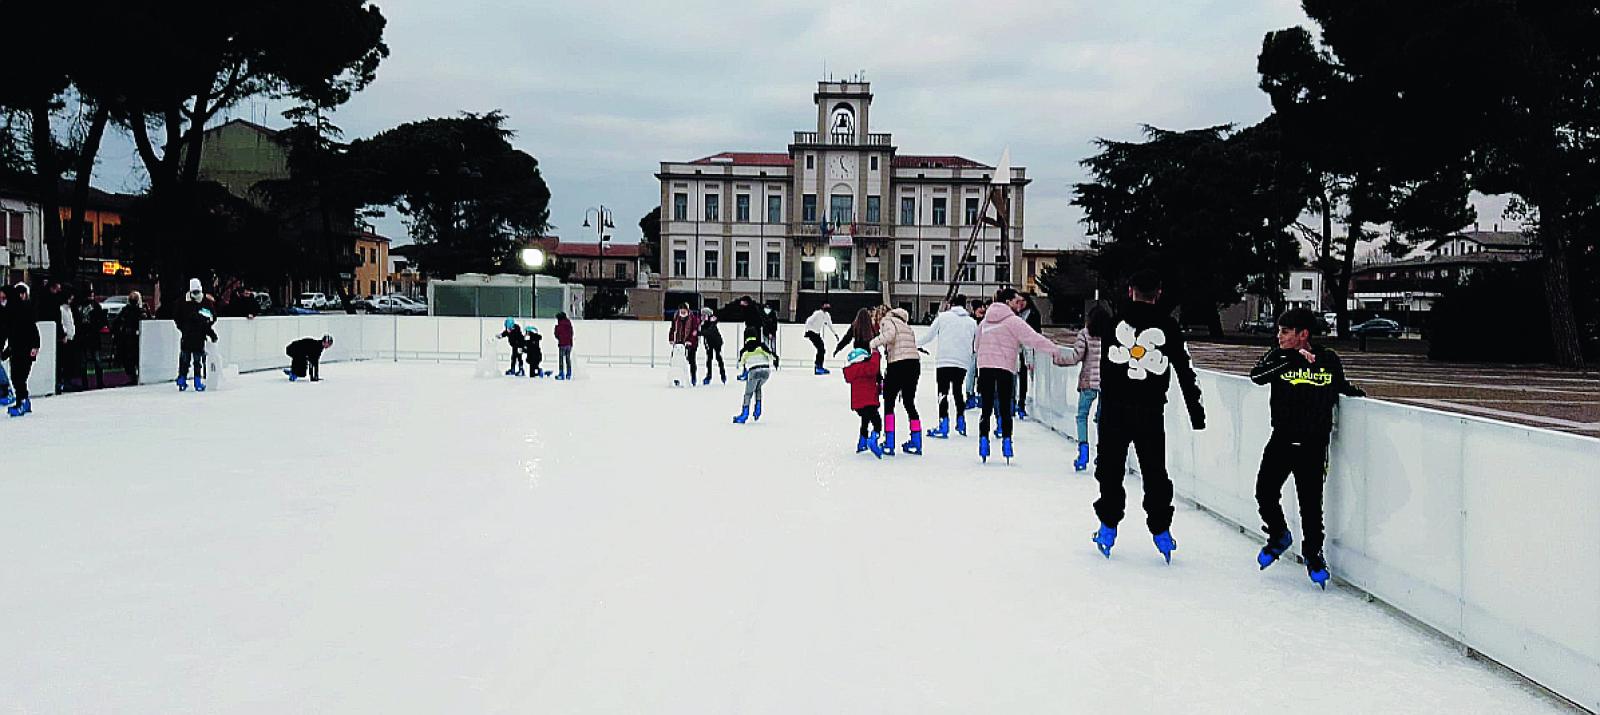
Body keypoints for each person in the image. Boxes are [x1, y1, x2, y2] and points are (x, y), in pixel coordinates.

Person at [1090, 270, 1206, 564]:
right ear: (1159, 293)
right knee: (1154, 470)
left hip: (1115, 409)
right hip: (1150, 410)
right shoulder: (1168, 326)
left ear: (1131, 291)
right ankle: (1161, 529)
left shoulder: (1115, 323)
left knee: (1110, 468)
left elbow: (1104, 363)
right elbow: (1185, 370)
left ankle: (1108, 526)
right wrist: (1196, 412)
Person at [1248, 307, 1365, 589]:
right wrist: (1292, 359)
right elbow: (1257, 376)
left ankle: (1313, 555)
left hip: (1314, 444)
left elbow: (1340, 386)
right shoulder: (1278, 356)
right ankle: (1279, 535)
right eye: (1279, 331)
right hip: (1282, 439)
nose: (1279, 337)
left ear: (1303, 334)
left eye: (1285, 332)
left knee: (1311, 506)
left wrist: (1360, 397)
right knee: (1264, 492)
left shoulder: (1328, 358)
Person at [973, 288, 1072, 463]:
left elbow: (976, 345)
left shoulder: (985, 322)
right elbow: (1033, 338)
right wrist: (1054, 350)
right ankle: (1007, 442)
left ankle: (983, 441)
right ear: (1007, 302)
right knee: (1005, 406)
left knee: (986, 407)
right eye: (1016, 301)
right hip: (1005, 367)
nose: (1019, 304)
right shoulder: (1013, 321)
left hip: (985, 367)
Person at [918, 296, 978, 438]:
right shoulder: (972, 322)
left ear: (951, 304)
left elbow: (929, 336)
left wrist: (915, 343)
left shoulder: (943, 317)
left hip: (944, 360)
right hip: (962, 361)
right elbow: (976, 343)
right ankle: (961, 420)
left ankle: (943, 423)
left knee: (943, 392)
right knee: (958, 391)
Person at [1059, 304, 1109, 472]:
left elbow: (1076, 356)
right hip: (1106, 383)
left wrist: (1058, 358)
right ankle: (1102, 453)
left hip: (1088, 382)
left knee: (1082, 416)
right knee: (1103, 419)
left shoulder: (1085, 334)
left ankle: (1083, 451)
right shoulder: (1111, 334)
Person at [869, 306, 923, 456]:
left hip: (898, 364)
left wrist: (872, 344)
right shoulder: (906, 325)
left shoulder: (887, 321)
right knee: (909, 402)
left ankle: (889, 442)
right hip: (914, 364)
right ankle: (916, 441)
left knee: (889, 401)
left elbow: (890, 335)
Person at [3, 284, 40, 417]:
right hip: (16, 348)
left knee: (19, 377)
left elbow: (32, 328)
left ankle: (22, 402)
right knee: (17, 376)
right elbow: (8, 333)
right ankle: (24, 401)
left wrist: (35, 345)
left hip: (25, 348)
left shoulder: (23, 309)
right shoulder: (9, 311)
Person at [841, 347, 884, 458]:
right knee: (877, 422)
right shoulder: (866, 367)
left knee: (865, 421)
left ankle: (862, 442)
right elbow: (874, 367)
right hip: (869, 402)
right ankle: (873, 439)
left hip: (858, 405)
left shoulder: (852, 370)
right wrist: (875, 354)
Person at [175, 279, 217, 392]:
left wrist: (183, 328)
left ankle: (183, 380)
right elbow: (210, 318)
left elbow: (211, 317)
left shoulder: (185, 301)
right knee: (194, 361)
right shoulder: (202, 302)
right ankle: (194, 382)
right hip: (194, 336)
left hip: (190, 336)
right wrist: (210, 331)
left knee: (187, 360)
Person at [731, 337, 778, 423]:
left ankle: (744, 415)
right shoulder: (761, 348)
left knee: (748, 393)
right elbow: (772, 357)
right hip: (766, 371)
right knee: (758, 388)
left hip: (754, 371)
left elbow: (741, 363)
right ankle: (758, 410)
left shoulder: (745, 352)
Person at [1015, 293, 1043, 419]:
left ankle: (1022, 402)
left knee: (1024, 377)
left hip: (1028, 349)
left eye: (1023, 301)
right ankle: (1014, 401)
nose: (1020, 303)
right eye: (1018, 301)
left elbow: (1036, 332)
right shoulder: (1015, 314)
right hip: (1016, 349)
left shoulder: (1033, 314)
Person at [75, 288, 107, 390]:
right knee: (90, 360)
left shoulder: (88, 306)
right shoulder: (86, 306)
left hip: (89, 335)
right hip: (88, 335)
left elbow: (102, 320)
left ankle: (96, 382)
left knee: (92, 360)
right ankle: (93, 383)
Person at [112, 291, 146, 384]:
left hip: (136, 338)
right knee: (129, 359)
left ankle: (136, 377)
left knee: (134, 359)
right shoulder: (127, 310)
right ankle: (133, 377)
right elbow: (117, 322)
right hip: (128, 339)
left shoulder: (140, 311)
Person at [668, 303, 701, 387]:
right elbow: (672, 328)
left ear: (687, 310)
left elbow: (694, 331)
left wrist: (690, 341)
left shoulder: (693, 318)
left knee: (691, 360)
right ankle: (676, 378)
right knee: (676, 361)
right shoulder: (676, 317)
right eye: (681, 310)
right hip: (679, 342)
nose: (682, 312)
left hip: (691, 343)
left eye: (684, 310)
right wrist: (671, 338)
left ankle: (693, 378)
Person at [964, 298, 988, 410]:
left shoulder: (986, 321)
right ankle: (970, 396)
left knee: (982, 375)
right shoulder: (970, 322)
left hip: (984, 352)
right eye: (979, 309)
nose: (982, 311)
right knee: (970, 375)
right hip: (972, 352)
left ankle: (981, 396)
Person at [803, 303, 838, 375]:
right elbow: (808, 321)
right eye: (826, 305)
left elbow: (830, 325)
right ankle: (818, 367)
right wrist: (807, 331)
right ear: (822, 306)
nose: (827, 307)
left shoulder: (827, 315)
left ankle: (819, 366)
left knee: (822, 349)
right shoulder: (818, 313)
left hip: (816, 333)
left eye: (828, 306)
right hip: (811, 332)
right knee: (821, 349)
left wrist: (835, 334)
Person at [700, 307, 726, 384]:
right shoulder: (703, 323)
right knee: (709, 359)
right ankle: (709, 376)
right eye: (702, 315)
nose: (702, 317)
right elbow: (704, 333)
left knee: (718, 358)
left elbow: (708, 332)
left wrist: (698, 333)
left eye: (704, 315)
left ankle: (723, 375)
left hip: (716, 343)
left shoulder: (712, 323)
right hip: (709, 343)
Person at [553, 312, 574, 380]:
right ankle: (569, 374)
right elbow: (572, 333)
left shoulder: (559, 325)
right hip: (569, 344)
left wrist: (556, 328)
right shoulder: (569, 324)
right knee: (568, 359)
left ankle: (561, 374)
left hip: (562, 344)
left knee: (561, 359)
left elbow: (556, 334)